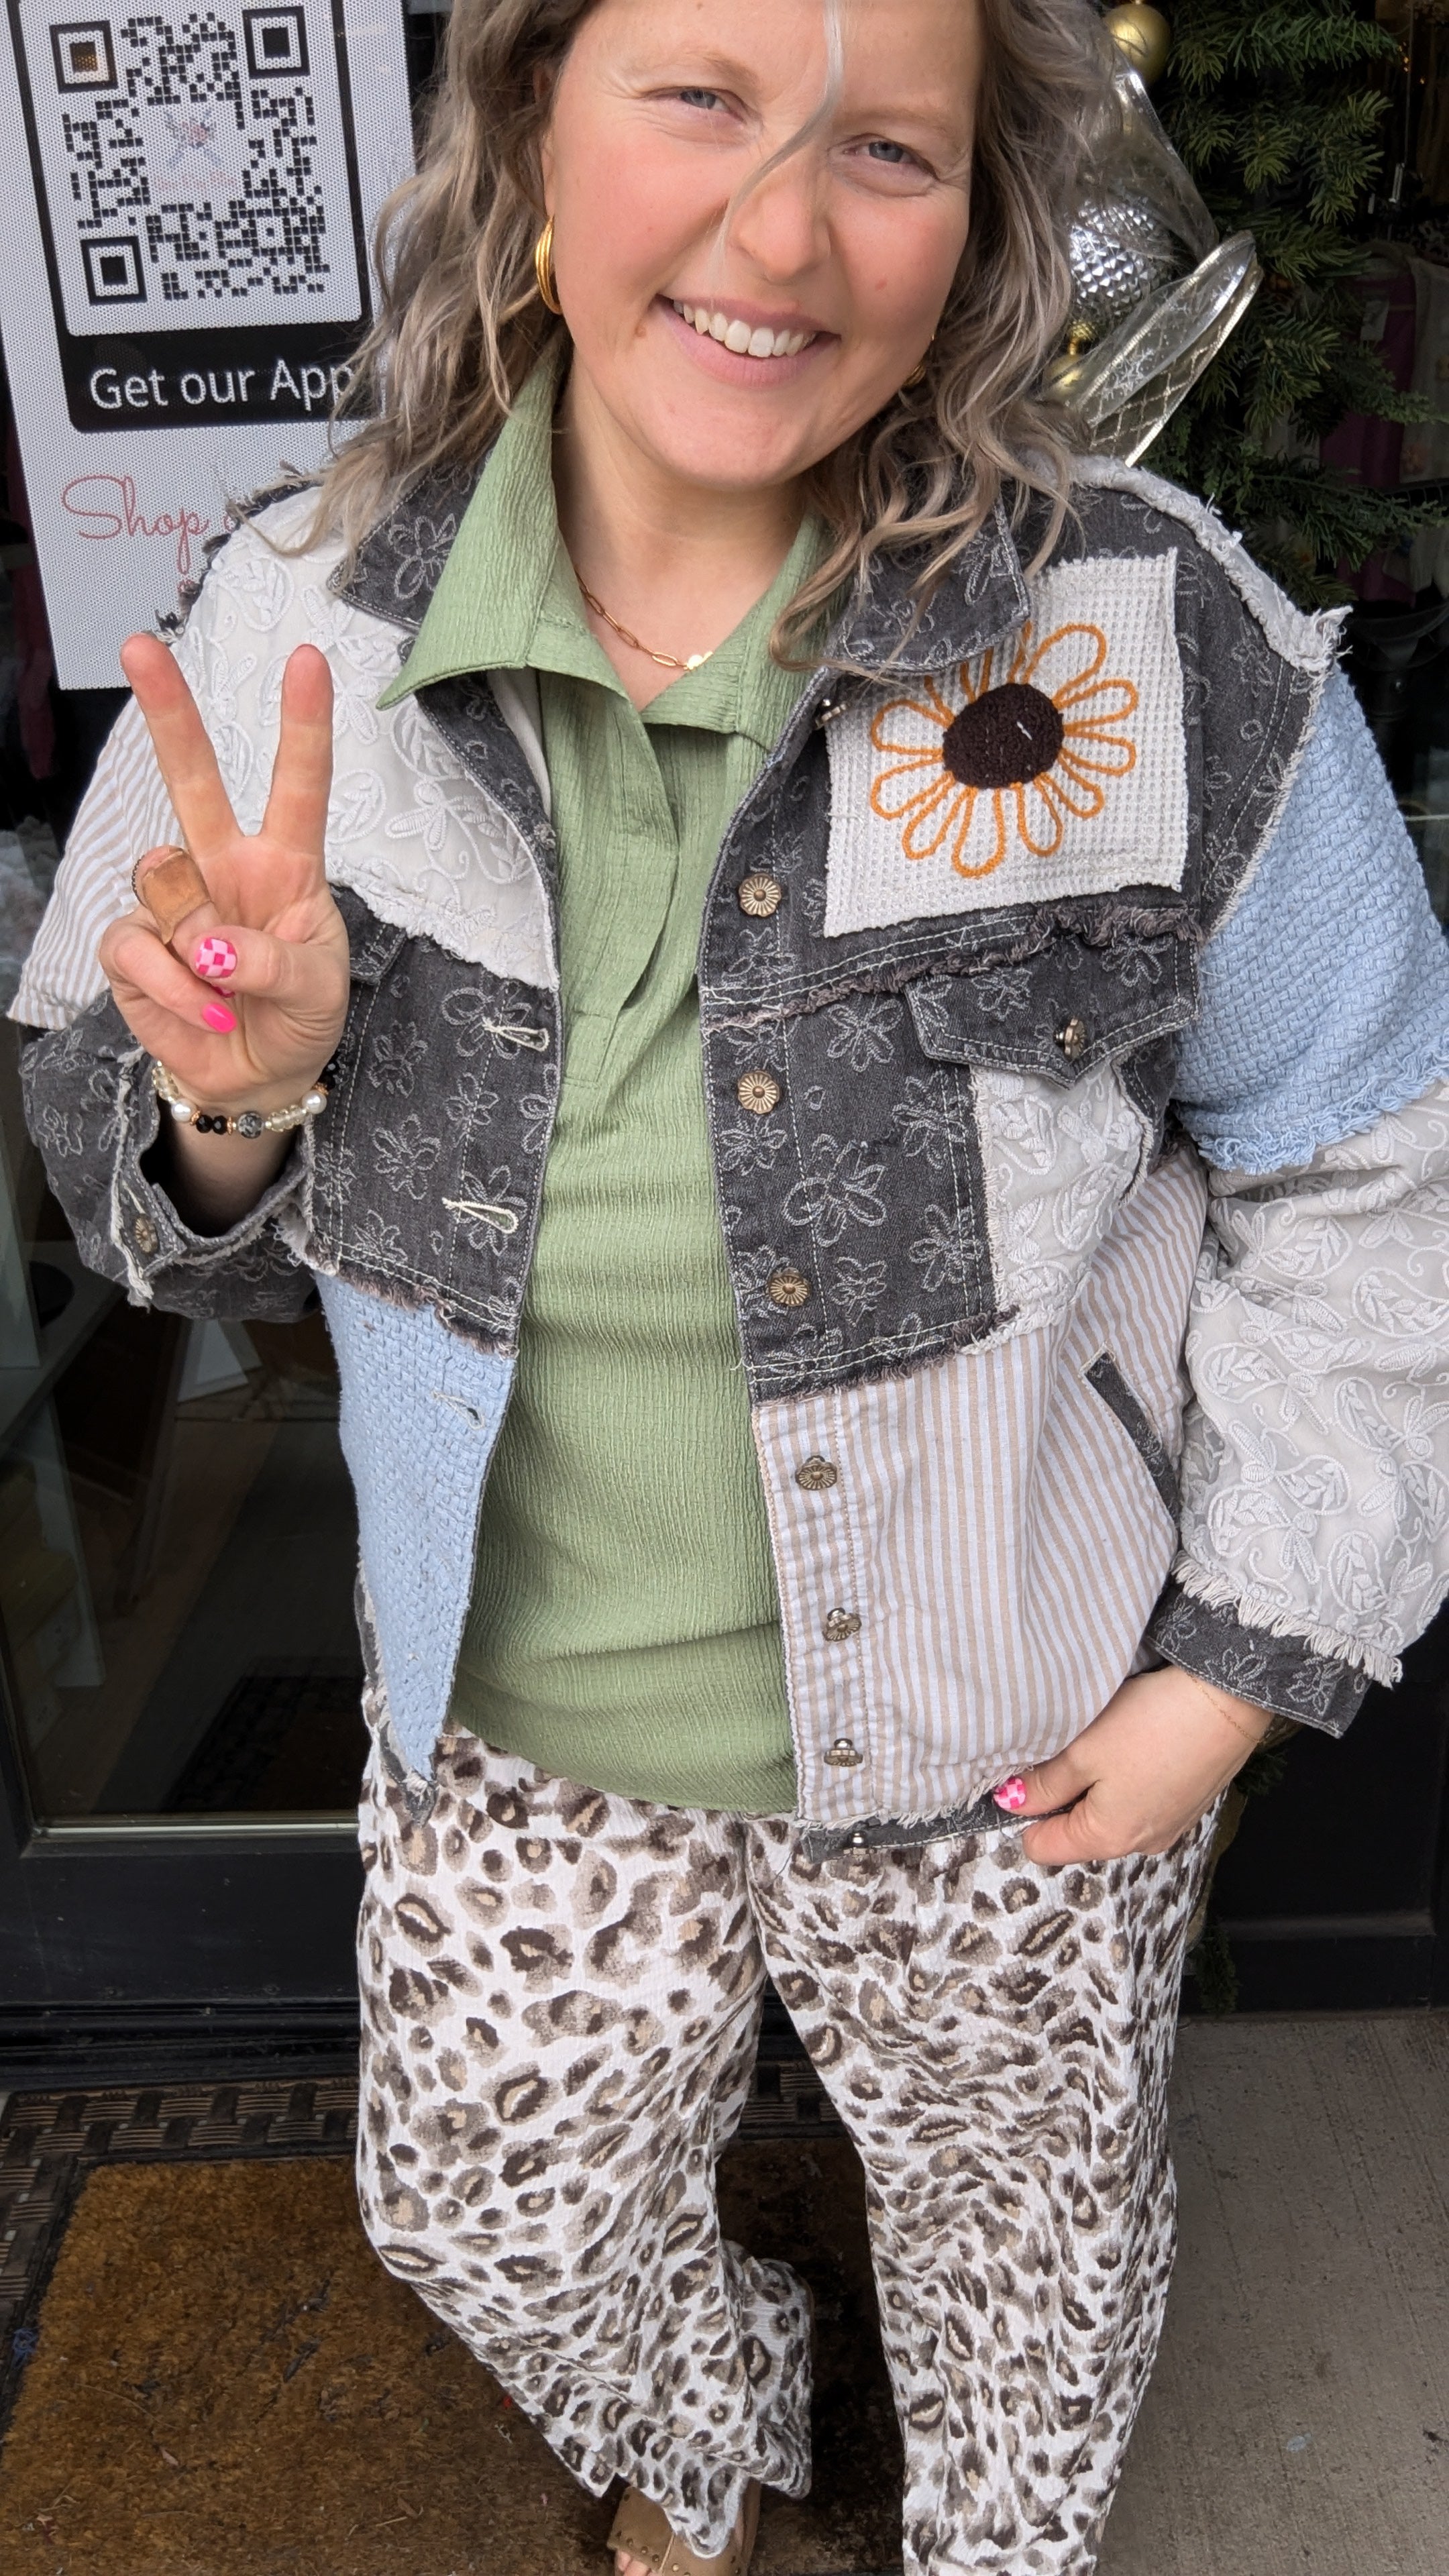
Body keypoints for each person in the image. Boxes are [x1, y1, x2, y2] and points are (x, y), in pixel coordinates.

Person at [15, 0, 1449, 2568]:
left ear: (978, 226)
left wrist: (1241, 1663)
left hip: (1020, 1723)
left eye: (887, 145)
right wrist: (242, 1091)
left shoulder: (1151, 641)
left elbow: (1383, 1164)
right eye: (699, 96)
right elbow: (127, 1146)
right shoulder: (290, 626)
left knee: (1030, 2288)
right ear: (529, 130)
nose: (780, 232)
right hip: (523, 1723)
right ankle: (719, 2435)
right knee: (492, 2219)